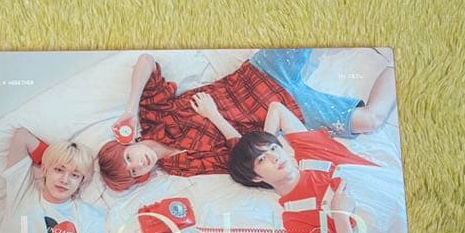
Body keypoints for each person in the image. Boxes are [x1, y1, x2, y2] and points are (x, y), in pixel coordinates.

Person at [97, 50, 396, 191]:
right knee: (370, 120)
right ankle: (402, 62)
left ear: (125, 144)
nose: (139, 164)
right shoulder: (179, 167)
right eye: (133, 172)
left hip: (258, 78)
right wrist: (214, 116)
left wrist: (131, 110)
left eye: (128, 158)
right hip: (289, 112)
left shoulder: (154, 115)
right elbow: (242, 156)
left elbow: (146, 61)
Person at [227, 101, 409, 233]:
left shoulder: (311, 152)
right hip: (405, 232)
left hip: (405, 186)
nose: (274, 157)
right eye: (261, 159)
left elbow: (277, 108)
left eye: (274, 148)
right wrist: (340, 217)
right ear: (256, 177)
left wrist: (261, 141)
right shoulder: (294, 218)